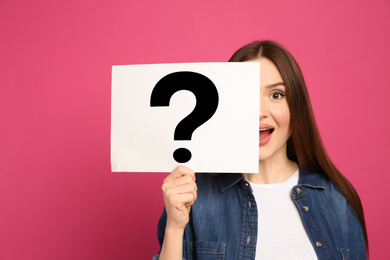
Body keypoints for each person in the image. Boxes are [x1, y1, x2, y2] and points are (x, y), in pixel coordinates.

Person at [152, 40, 368, 260]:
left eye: (276, 95)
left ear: (296, 108)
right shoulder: (194, 197)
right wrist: (174, 228)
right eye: (245, 96)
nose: (259, 112)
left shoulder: (336, 200)